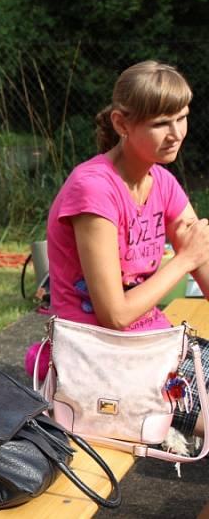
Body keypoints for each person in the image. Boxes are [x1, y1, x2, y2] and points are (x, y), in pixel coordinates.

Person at [47, 60, 209, 439]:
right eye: (160, 123)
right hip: (100, 359)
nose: (176, 134)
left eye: (182, 117)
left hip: (151, 347)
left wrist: (196, 258)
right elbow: (115, 315)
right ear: (122, 124)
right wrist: (185, 259)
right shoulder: (93, 189)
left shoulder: (162, 183)